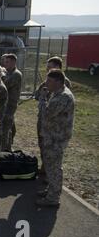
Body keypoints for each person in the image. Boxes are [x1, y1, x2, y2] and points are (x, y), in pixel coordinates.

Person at [36, 70, 75, 207]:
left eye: (49, 81)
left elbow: (46, 113)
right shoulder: (58, 93)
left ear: (58, 82)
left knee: (54, 167)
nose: (46, 84)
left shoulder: (63, 97)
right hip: (52, 135)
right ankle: (51, 191)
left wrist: (42, 98)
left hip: (56, 138)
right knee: (51, 166)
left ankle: (53, 198)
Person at [2, 54, 22, 151]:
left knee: (6, 127)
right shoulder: (7, 72)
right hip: (6, 103)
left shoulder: (16, 74)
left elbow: (5, 85)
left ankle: (7, 148)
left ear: (14, 62)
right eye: (5, 62)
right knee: (8, 125)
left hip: (10, 104)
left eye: (7, 62)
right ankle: (7, 146)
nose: (5, 64)